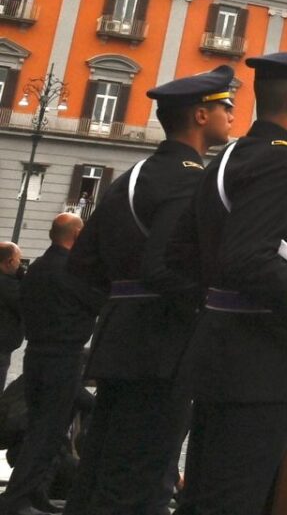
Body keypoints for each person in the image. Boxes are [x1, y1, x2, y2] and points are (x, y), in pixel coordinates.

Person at [169, 48, 287, 515]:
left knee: (206, 495)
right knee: (235, 499)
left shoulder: (232, 154)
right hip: (258, 361)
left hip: (220, 350)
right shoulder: (282, 160)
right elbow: (249, 256)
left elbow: (183, 254)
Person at [65, 66, 236, 515]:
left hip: (120, 340)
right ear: (201, 116)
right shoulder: (189, 179)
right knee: (144, 481)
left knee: (100, 470)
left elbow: (82, 265)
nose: (232, 114)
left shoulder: (132, 175)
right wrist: (212, 301)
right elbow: (163, 268)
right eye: (225, 106)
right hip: (163, 348)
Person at [0, 213, 100, 515]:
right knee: (48, 433)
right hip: (63, 357)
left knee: (41, 430)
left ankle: (34, 493)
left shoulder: (38, 268)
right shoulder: (73, 271)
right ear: (77, 234)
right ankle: (16, 499)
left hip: (36, 355)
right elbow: (96, 302)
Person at [0, 243, 20, 396]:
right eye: (18, 260)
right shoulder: (8, 285)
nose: (20, 264)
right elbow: (24, 306)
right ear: (10, 261)